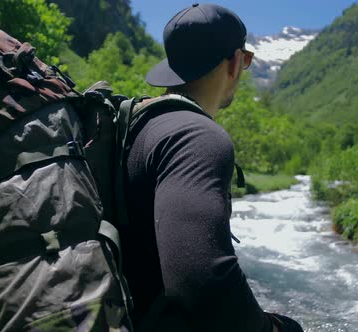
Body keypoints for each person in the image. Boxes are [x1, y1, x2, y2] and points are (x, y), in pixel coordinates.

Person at [121, 3, 304, 332]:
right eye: (246, 60)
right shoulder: (199, 137)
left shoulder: (136, 124)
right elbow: (201, 278)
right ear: (236, 62)